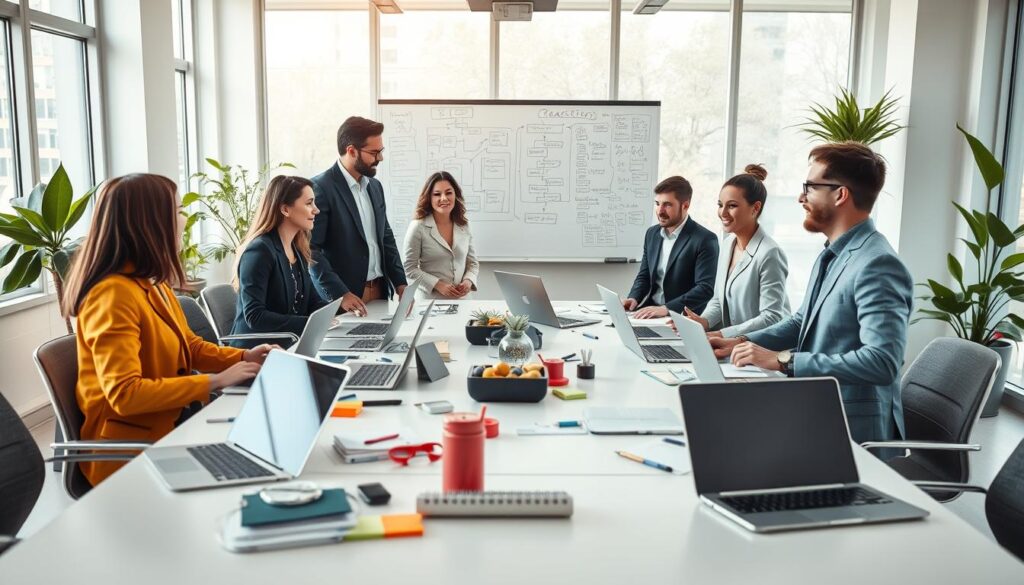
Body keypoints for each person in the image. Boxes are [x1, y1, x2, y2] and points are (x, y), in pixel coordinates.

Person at [61, 174, 272, 486]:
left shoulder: (150, 282)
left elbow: (190, 345)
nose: (183, 218)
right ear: (150, 222)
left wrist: (242, 356)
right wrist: (214, 381)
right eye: (175, 209)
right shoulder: (112, 295)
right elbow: (125, 394)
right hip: (130, 455)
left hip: (173, 426)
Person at [711, 142, 913, 445]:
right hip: (815, 405)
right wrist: (740, 342)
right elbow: (802, 321)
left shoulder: (877, 264)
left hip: (849, 428)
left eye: (810, 187)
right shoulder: (833, 252)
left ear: (840, 194)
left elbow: (881, 362)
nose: (801, 197)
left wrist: (782, 360)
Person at [310, 116, 407, 317]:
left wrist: (400, 283)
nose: (380, 158)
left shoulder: (375, 187)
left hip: (380, 290)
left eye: (381, 151)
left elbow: (386, 237)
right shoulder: (321, 188)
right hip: (346, 298)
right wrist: (341, 294)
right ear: (351, 151)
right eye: (374, 152)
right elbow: (311, 250)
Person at [685, 164, 790, 337]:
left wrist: (722, 334)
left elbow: (772, 317)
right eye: (720, 205)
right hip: (735, 346)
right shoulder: (728, 244)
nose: (722, 213)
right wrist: (702, 322)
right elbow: (719, 300)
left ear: (755, 208)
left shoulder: (770, 253)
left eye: (732, 206)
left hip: (765, 348)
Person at [229, 175, 330, 346]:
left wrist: (341, 313)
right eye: (309, 203)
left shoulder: (297, 249)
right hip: (255, 352)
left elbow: (312, 302)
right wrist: (310, 324)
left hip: (287, 344)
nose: (316, 210)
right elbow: (255, 316)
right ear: (285, 209)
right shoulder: (259, 251)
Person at [623, 175, 719, 318]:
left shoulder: (705, 239)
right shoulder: (652, 234)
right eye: (657, 203)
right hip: (650, 312)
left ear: (685, 205)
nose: (660, 211)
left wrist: (667, 309)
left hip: (681, 319)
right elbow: (644, 276)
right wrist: (633, 298)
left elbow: (704, 289)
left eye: (667, 205)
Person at [402, 171, 479, 300]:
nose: (444, 198)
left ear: (455, 195)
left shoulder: (464, 225)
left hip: (462, 301)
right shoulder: (418, 227)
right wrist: (437, 284)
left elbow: (473, 263)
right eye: (437, 194)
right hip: (430, 301)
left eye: (449, 193)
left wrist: (468, 281)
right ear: (429, 198)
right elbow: (409, 268)